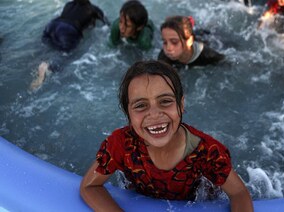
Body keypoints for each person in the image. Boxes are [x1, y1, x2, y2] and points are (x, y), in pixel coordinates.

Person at [80, 60, 254, 212]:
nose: (154, 114)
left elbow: (238, 193)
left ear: (181, 104)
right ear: (128, 114)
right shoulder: (120, 144)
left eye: (165, 101)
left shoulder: (206, 151)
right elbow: (90, 186)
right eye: (141, 105)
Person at [30, 0, 108, 90]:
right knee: (65, 55)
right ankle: (48, 68)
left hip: (52, 25)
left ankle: (40, 62)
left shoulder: (69, 4)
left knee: (47, 48)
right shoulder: (93, 9)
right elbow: (105, 24)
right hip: (69, 29)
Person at [158, 16, 225, 69]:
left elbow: (226, 63)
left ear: (189, 41)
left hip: (211, 37)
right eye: (164, 42)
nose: (168, 48)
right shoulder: (164, 57)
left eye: (174, 42)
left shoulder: (208, 56)